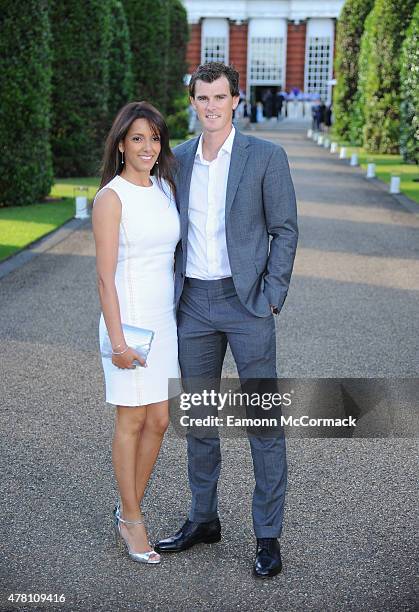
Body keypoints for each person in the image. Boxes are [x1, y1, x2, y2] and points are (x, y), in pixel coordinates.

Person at [155, 62, 298, 578]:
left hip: (248, 305)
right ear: (192, 102)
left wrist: (272, 296)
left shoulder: (267, 156)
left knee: (262, 422)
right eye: (202, 98)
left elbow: (285, 230)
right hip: (193, 303)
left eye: (220, 97)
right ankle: (203, 518)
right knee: (199, 421)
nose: (211, 106)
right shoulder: (178, 161)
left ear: (235, 100)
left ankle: (267, 535)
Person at [92, 102, 180, 565]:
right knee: (131, 421)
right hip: (128, 324)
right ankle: (132, 518)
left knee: (160, 421)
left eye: (155, 138)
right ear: (121, 144)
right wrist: (119, 344)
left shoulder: (165, 188)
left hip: (165, 322)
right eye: (138, 138)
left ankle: (128, 510)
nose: (148, 147)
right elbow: (105, 278)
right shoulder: (111, 198)